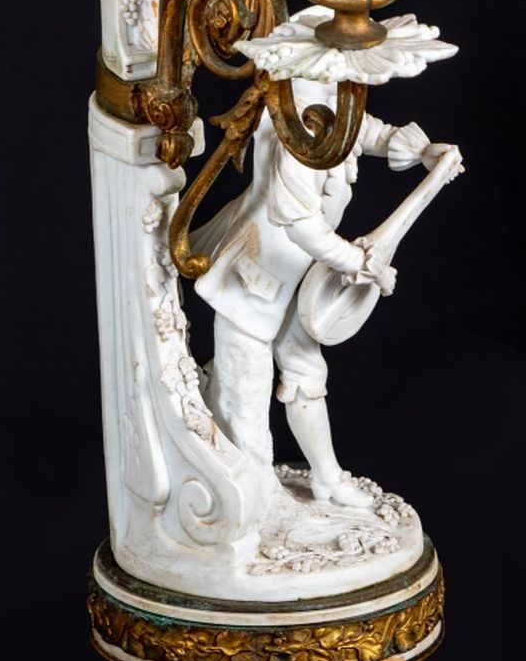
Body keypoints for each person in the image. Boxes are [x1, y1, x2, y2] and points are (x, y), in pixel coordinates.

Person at [191, 77, 453, 507]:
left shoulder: (333, 102)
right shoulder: (294, 123)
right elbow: (301, 226)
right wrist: (359, 263)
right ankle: (249, 498)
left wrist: (420, 151)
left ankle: (327, 480)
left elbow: (366, 131)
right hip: (256, 278)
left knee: (305, 373)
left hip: (301, 273)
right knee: (245, 391)